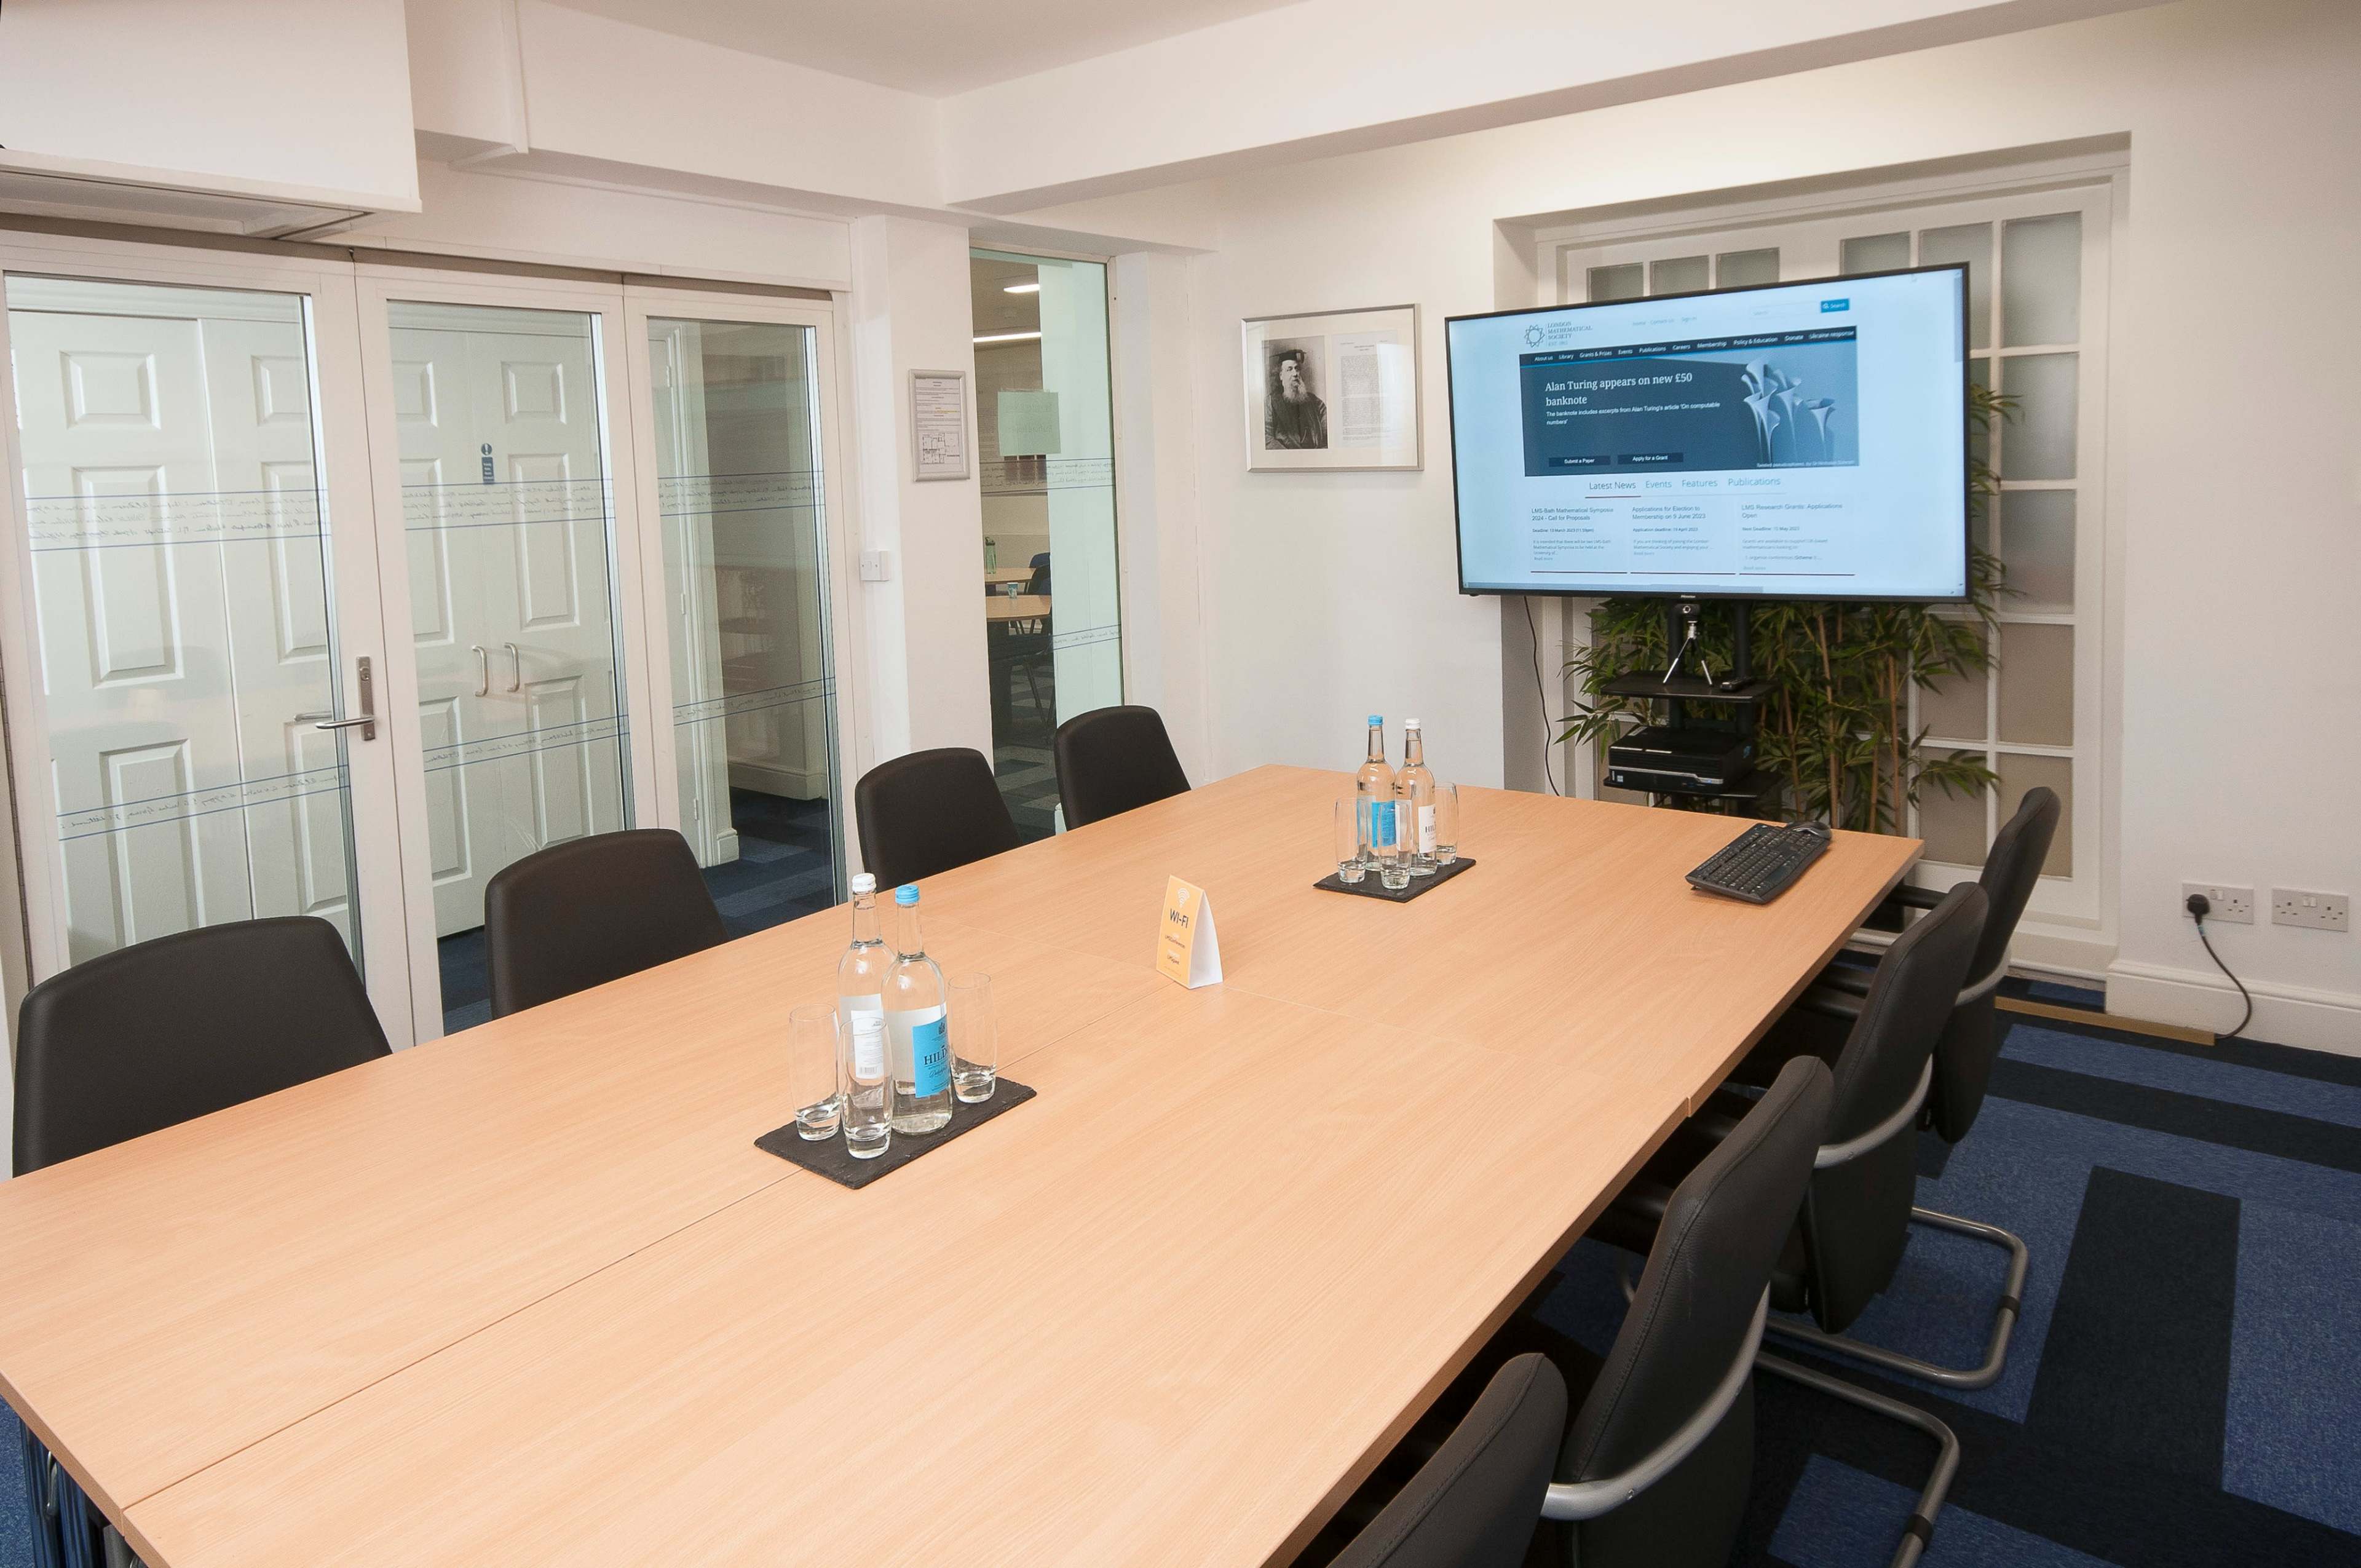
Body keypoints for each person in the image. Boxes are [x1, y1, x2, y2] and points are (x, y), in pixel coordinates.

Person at [1265, 349, 1328, 449]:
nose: (1295, 374)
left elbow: (1329, 434)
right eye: (1289, 369)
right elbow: (1267, 437)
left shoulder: (1315, 402)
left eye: (1297, 369)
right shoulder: (1271, 403)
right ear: (1281, 376)